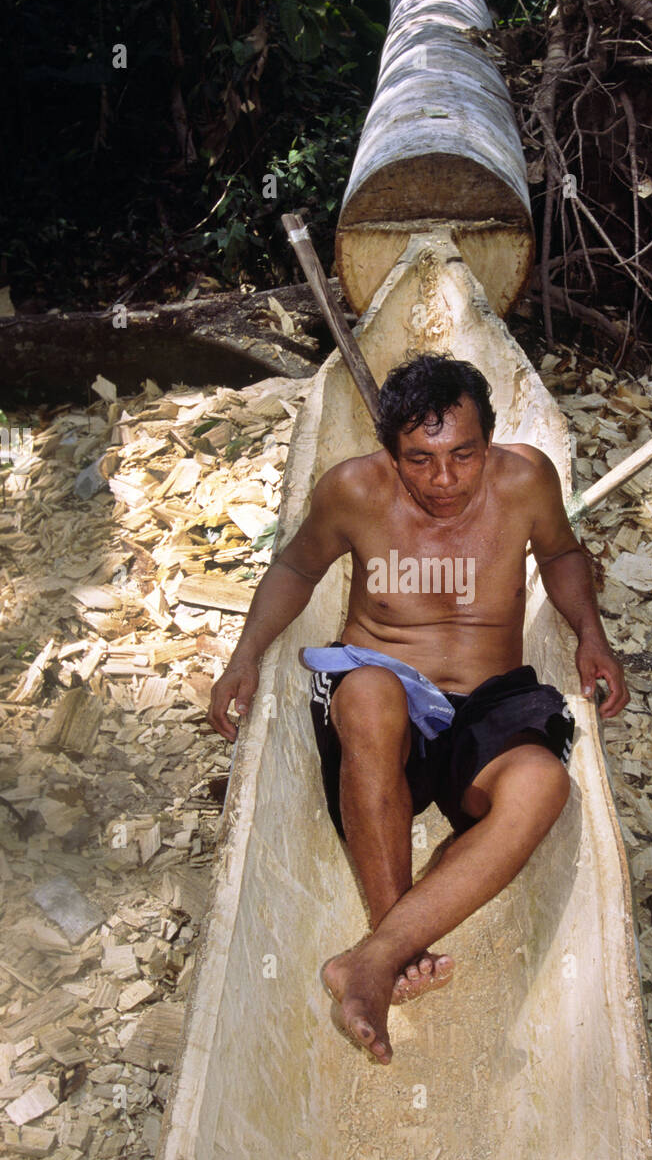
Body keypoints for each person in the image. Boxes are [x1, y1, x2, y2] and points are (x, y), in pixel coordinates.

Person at [207, 353, 628, 1065]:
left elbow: (560, 554)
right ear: (388, 451)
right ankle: (393, 943)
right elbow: (296, 567)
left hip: (489, 699)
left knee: (543, 784)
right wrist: (244, 657)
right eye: (419, 459)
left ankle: (372, 957)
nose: (442, 480)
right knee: (367, 693)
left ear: (488, 442)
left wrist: (591, 634)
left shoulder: (526, 480)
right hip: (384, 688)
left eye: (463, 455)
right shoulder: (352, 492)